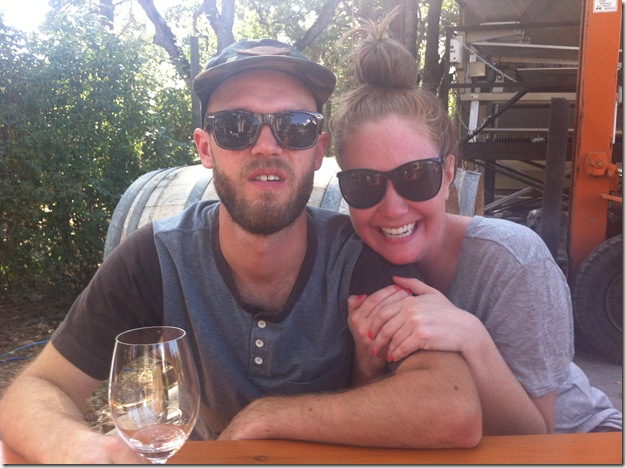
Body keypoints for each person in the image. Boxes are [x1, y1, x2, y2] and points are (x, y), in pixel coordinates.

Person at [0, 38, 482, 464]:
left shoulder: (359, 257)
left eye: (294, 125)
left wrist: (267, 417)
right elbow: (37, 390)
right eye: (236, 126)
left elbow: (452, 405)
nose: (266, 146)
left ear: (319, 150)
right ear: (205, 148)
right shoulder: (155, 258)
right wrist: (77, 448)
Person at [329, 16, 622, 435]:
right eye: (365, 183)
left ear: (449, 172)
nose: (393, 208)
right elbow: (377, 415)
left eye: (416, 176)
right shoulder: (350, 262)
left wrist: (470, 337)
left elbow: (535, 436)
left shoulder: (515, 263)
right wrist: (367, 364)